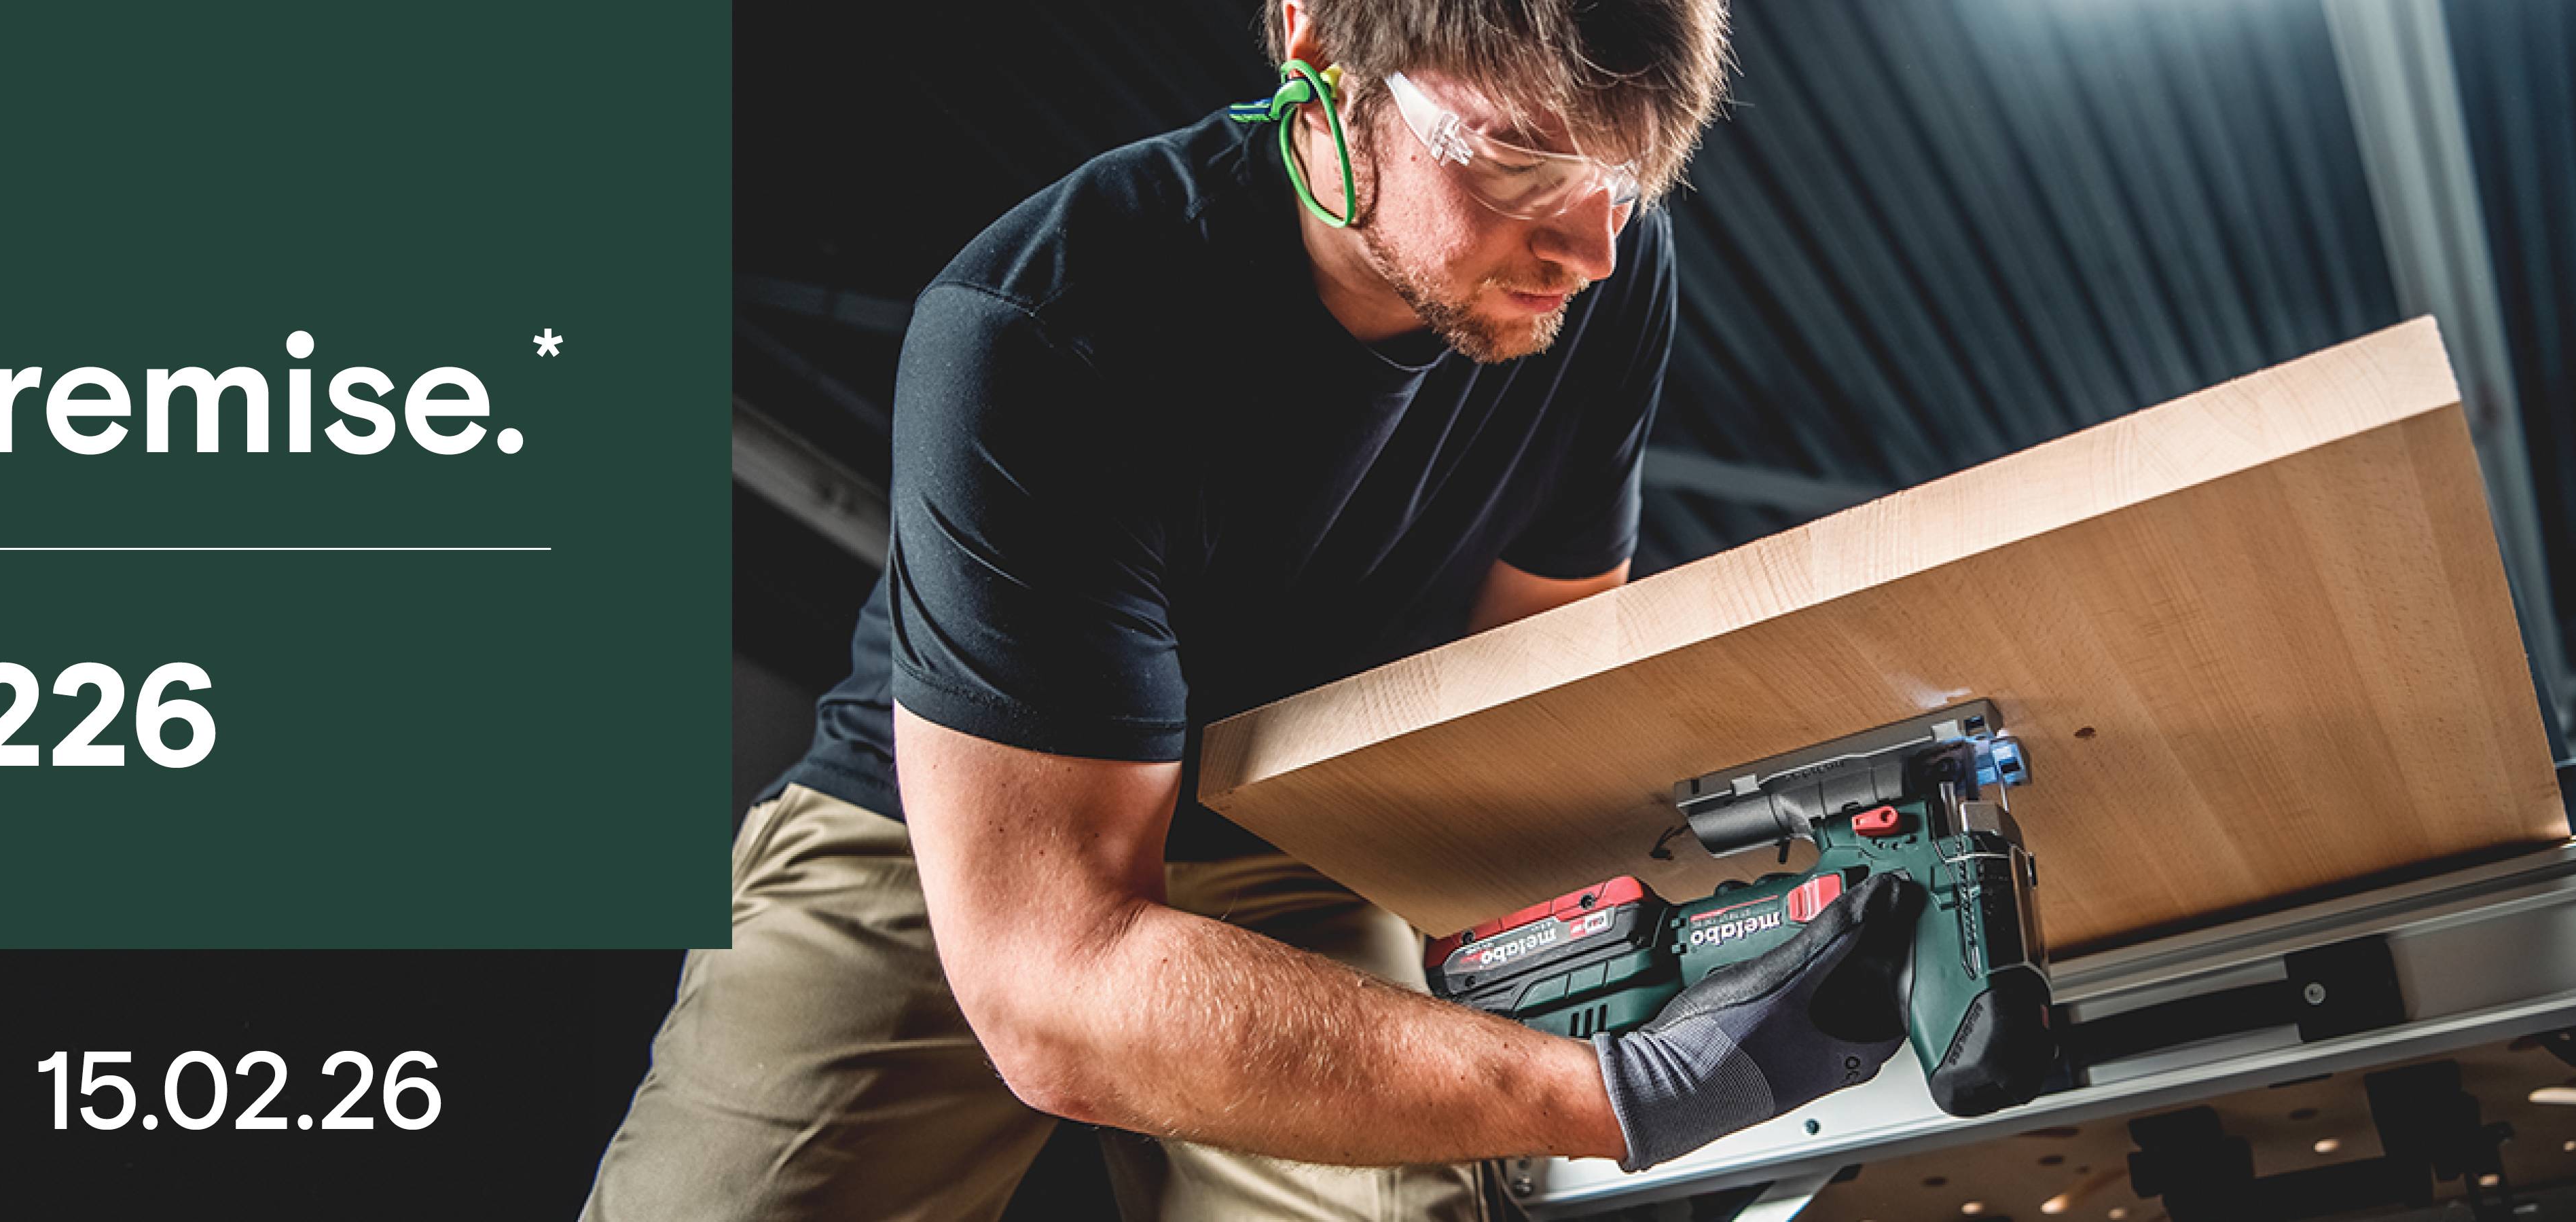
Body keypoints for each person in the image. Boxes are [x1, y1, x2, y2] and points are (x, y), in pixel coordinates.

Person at [599, 1, 1929, 1218]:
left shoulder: (1605, 272)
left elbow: (1531, 675)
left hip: (1302, 823)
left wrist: (1648, 941)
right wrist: (1620, 1088)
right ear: (1318, 50)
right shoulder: (1044, 327)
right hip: (972, 837)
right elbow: (1053, 987)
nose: (1585, 247)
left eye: (1623, 177)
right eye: (1520, 159)